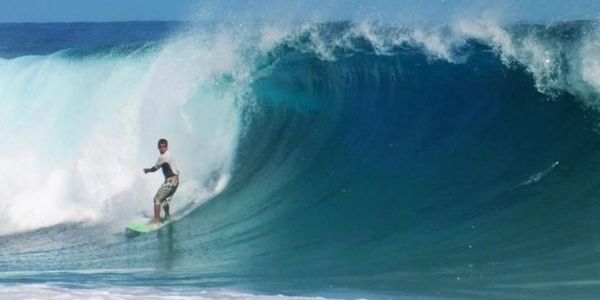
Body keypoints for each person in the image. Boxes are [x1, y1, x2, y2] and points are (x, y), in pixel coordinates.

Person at [144, 138, 180, 223]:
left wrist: (147, 170)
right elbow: (176, 169)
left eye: (164, 147)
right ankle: (168, 217)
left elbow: (154, 168)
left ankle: (156, 222)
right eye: (160, 147)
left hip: (171, 181)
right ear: (158, 147)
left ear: (167, 147)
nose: (162, 149)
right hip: (176, 182)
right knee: (164, 201)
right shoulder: (169, 154)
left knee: (157, 199)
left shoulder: (163, 157)